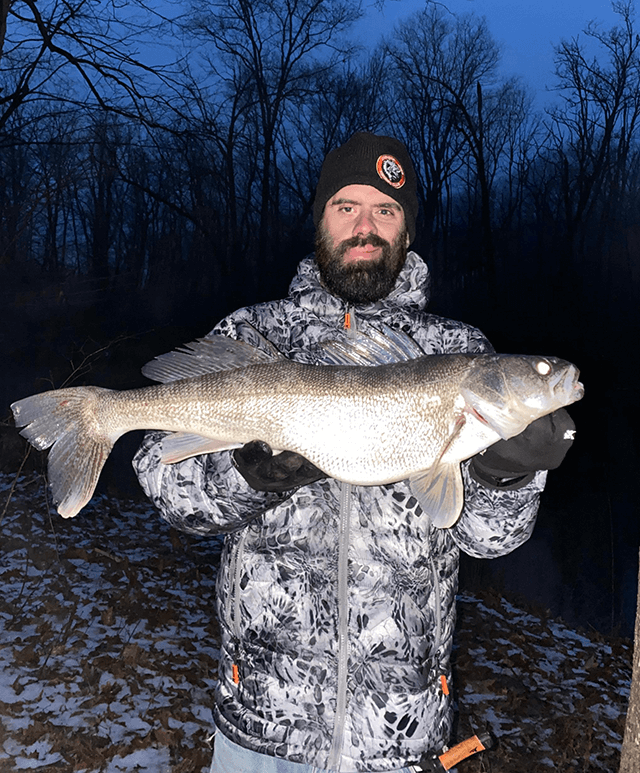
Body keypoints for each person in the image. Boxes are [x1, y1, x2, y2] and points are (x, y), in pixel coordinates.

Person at [133, 132, 575, 773]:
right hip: (259, 730)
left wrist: (505, 476)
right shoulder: (256, 333)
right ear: (321, 219)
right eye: (347, 207)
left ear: (406, 231)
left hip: (400, 740)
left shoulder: (456, 347)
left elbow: (489, 539)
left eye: (386, 211)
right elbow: (165, 485)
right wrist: (247, 473)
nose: (365, 227)